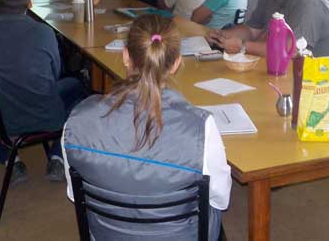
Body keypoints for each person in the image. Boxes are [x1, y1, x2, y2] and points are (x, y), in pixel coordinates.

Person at [62, 14, 231, 240]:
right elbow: (220, 198)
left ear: (125, 55)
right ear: (176, 63)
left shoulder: (77, 120)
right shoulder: (202, 127)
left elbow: (76, 194)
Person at [0, 0, 87, 184]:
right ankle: (57, 157)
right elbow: (55, 73)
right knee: (81, 89)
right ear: (29, 3)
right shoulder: (44, 33)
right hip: (44, 116)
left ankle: (11, 160)